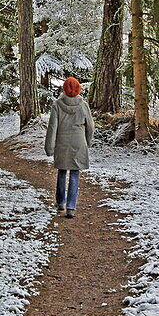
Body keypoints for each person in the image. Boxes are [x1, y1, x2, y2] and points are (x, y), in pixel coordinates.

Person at [44, 76, 95, 218]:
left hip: (62, 143)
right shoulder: (84, 105)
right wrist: (87, 142)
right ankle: (71, 207)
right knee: (74, 173)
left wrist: (49, 147)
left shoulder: (57, 105)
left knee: (62, 172)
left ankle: (61, 203)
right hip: (78, 143)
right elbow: (90, 127)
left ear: (64, 90)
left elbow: (52, 128)